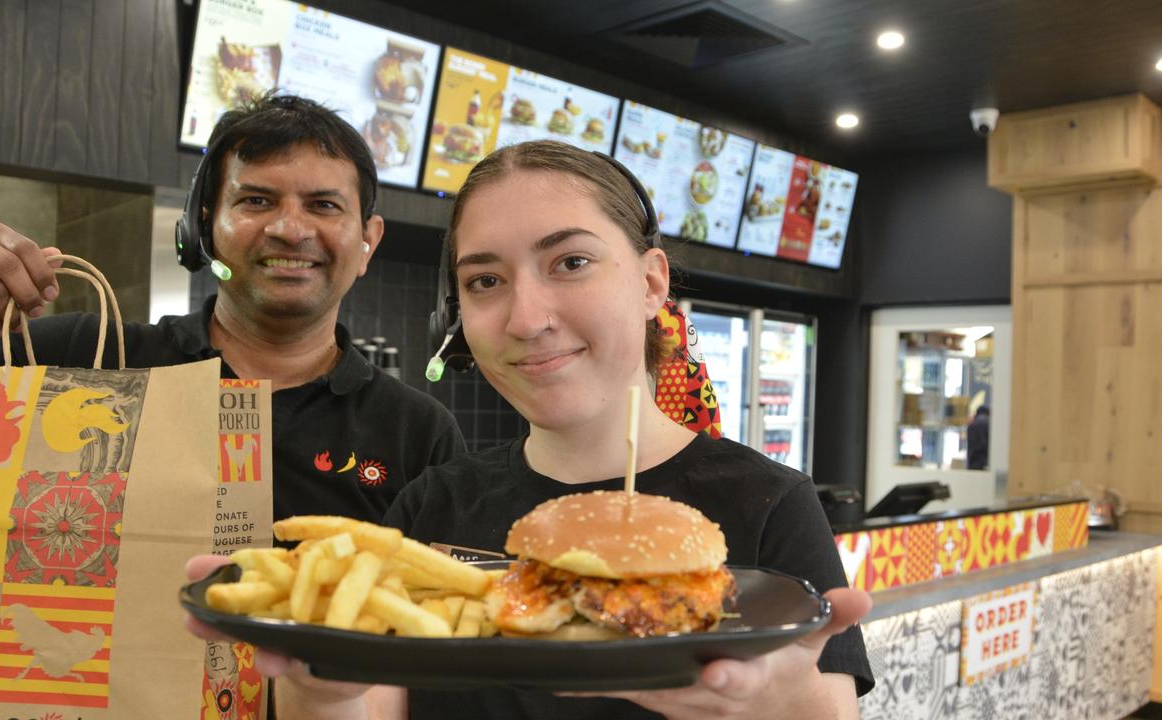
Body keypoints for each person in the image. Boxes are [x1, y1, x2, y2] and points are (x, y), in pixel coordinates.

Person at [187, 140, 872, 719]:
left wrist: (786, 708)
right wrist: (317, 690)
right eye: (485, 281)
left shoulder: (772, 505)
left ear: (651, 282)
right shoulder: (433, 505)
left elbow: (826, 705)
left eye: (570, 262)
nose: (525, 318)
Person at [0, 94, 464, 524]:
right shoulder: (89, 357)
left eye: (324, 205)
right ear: (203, 227)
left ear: (368, 241)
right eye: (256, 200)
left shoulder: (418, 431)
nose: (291, 229)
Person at [967, 405, 990, 470]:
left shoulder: (971, 425)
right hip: (987, 463)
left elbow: (970, 447)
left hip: (974, 463)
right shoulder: (990, 424)